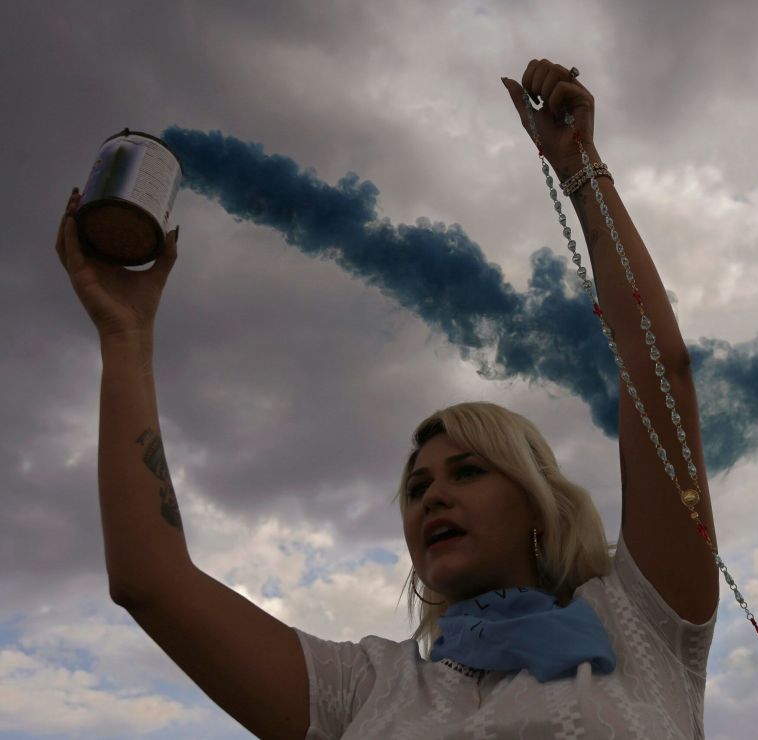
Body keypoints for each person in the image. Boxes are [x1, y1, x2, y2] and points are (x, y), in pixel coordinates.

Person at [55, 58, 719, 739]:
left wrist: (580, 171)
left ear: (536, 502)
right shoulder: (363, 689)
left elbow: (659, 373)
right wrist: (126, 337)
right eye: (415, 487)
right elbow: (149, 580)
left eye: (467, 471)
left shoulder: (641, 623)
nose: (431, 496)